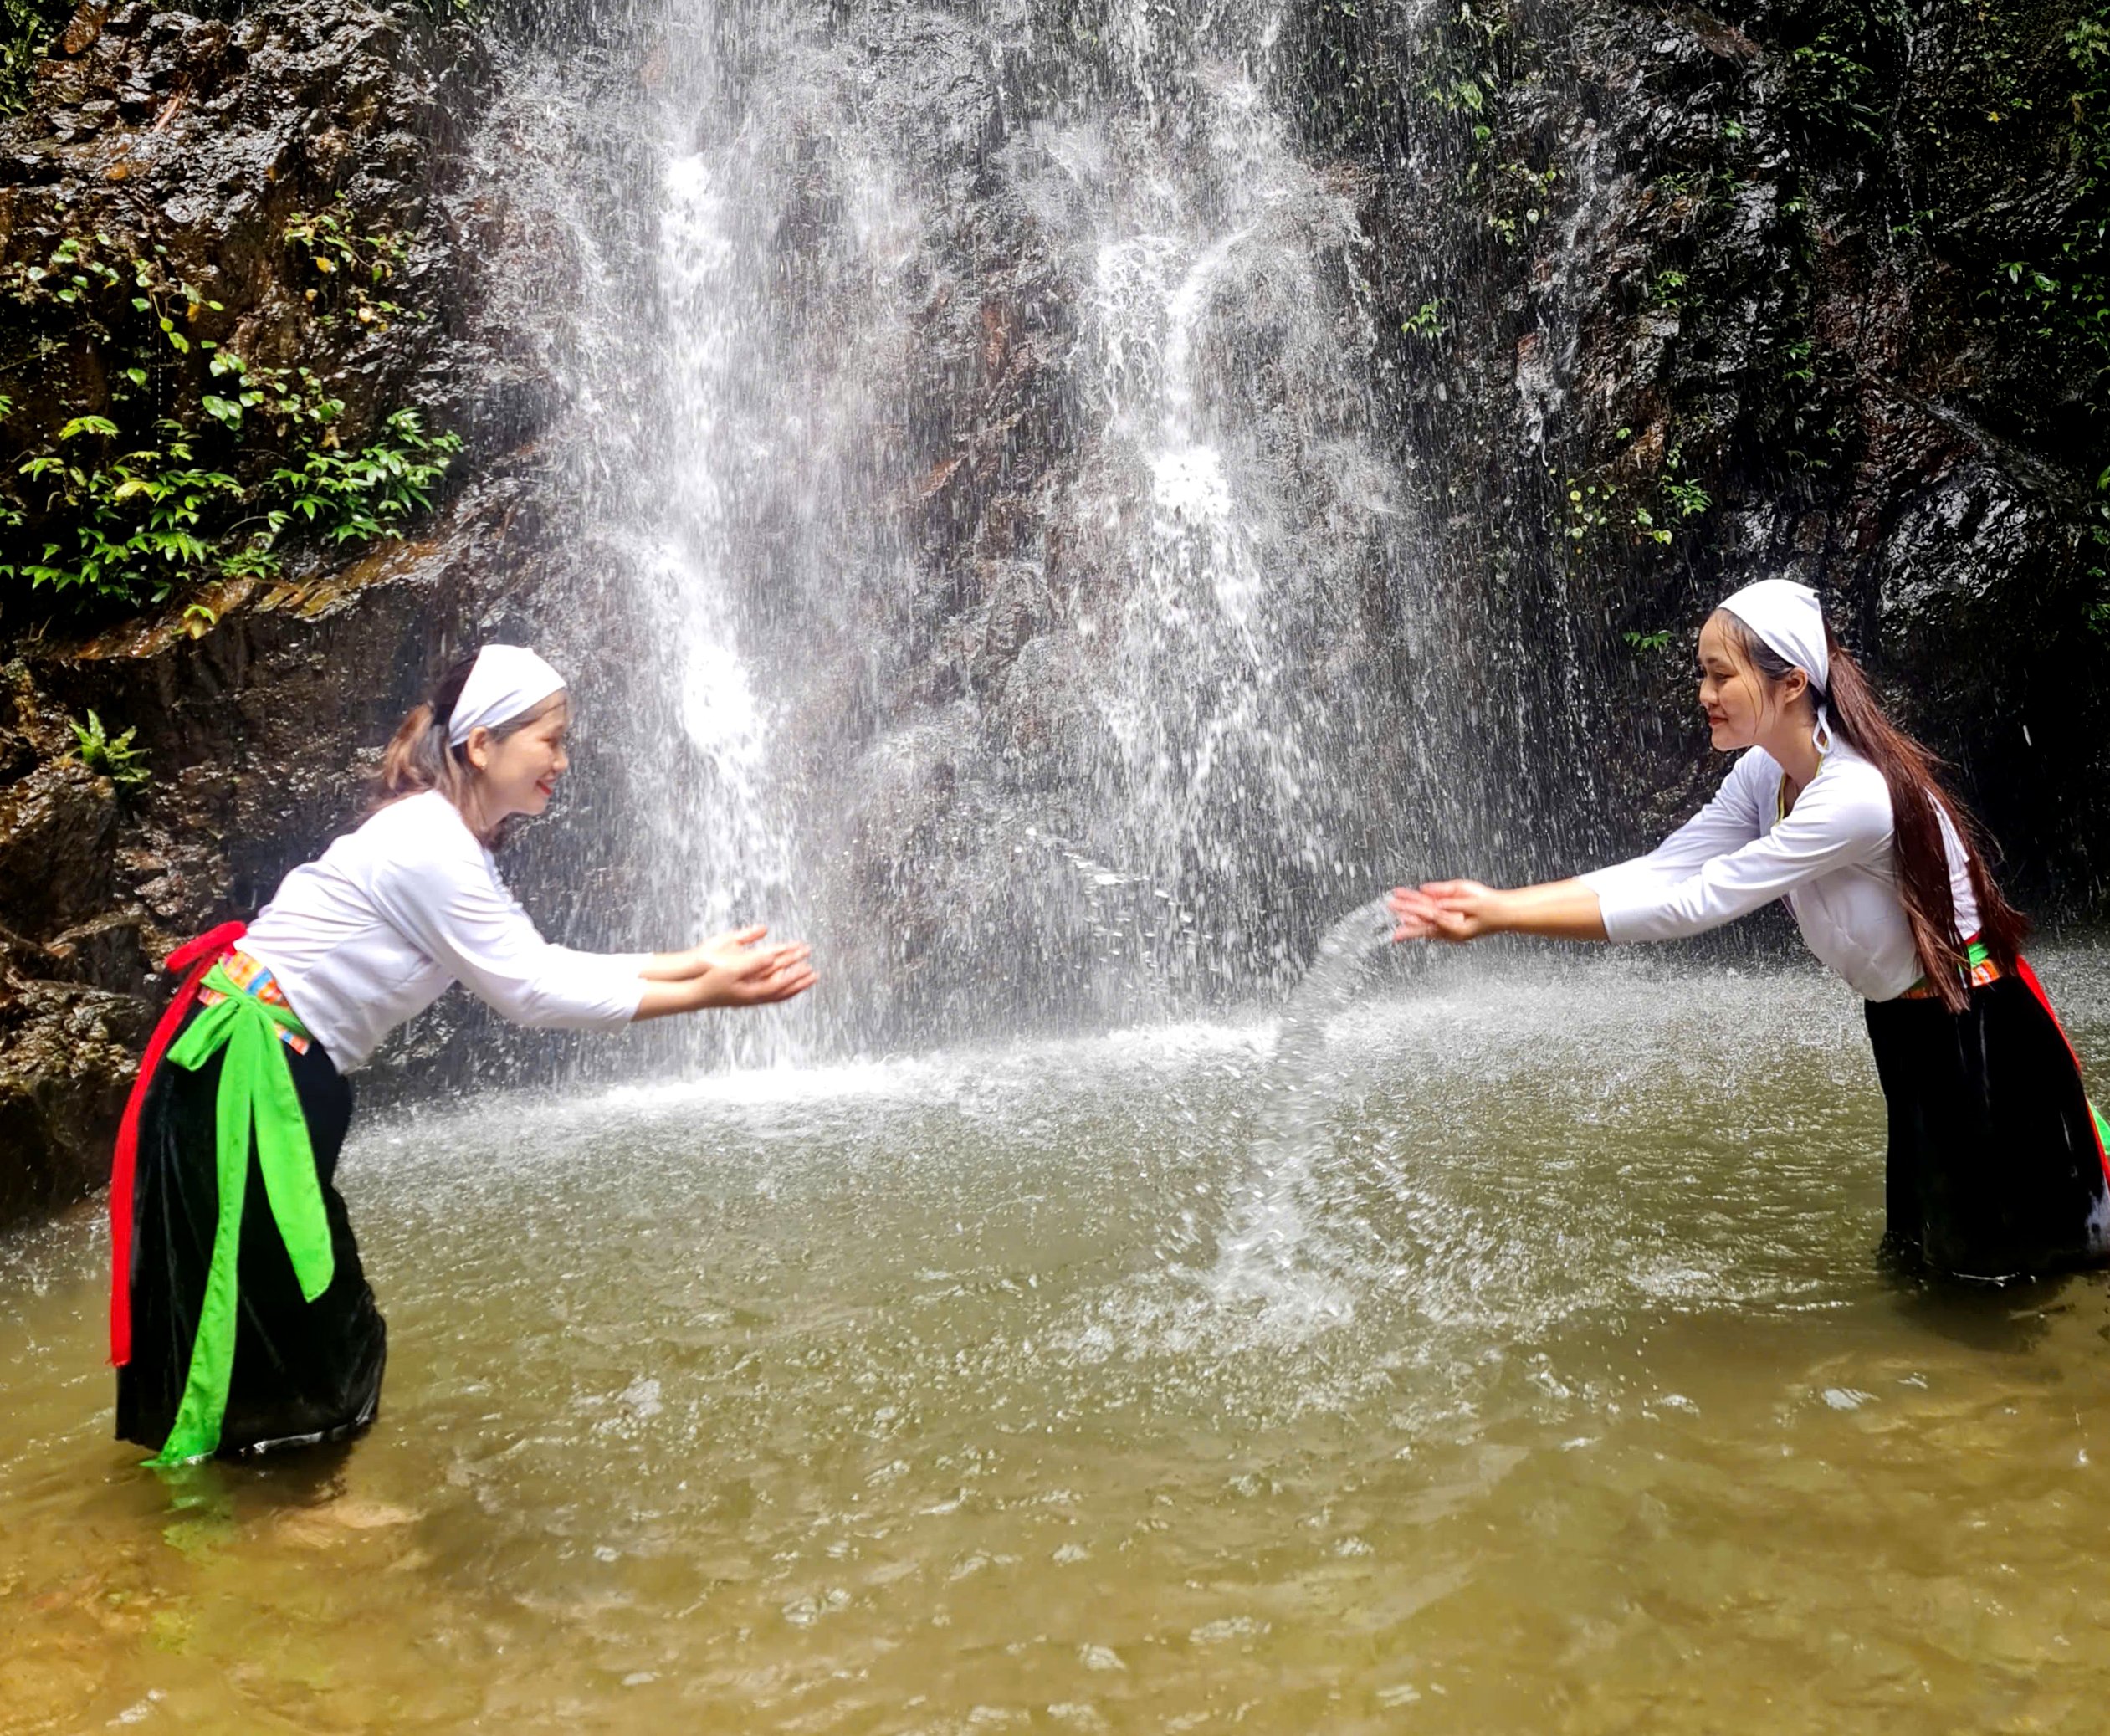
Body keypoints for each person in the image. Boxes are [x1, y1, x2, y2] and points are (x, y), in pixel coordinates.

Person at [110, 645, 817, 1466]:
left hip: (273, 1068)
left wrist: (694, 960)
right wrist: (705, 991)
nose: (562, 758)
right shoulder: (427, 843)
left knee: (303, 1302)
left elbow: (535, 958)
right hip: (244, 1072)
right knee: (286, 1304)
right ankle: (273, 1508)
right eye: (548, 739)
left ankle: (276, 1503)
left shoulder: (448, 843)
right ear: (481, 743)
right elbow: (530, 988)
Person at [1388, 580, 2110, 1283]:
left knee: (2015, 1263)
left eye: (1719, 675)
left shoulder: (1854, 795)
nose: (1704, 694)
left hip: (1976, 1026)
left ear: (1791, 682)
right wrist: (1500, 900)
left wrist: (1501, 919)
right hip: (1906, 1023)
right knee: (1927, 1260)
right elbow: (1667, 868)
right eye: (1702, 673)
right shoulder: (1766, 776)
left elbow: (1695, 903)